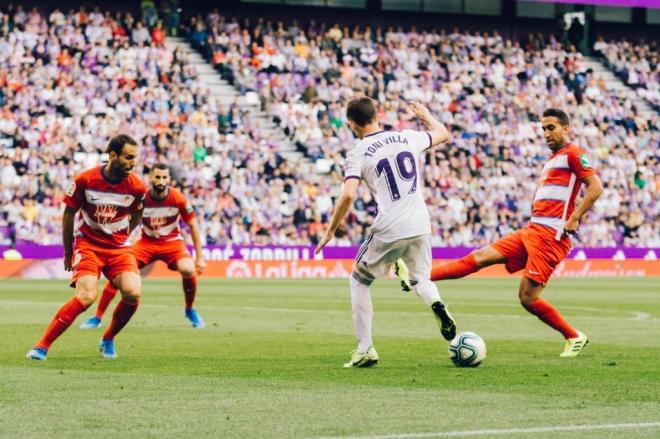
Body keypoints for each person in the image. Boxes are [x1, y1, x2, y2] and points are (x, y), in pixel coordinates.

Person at [399, 108, 603, 358]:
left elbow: (595, 188)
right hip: (533, 229)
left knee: (528, 298)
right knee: (480, 257)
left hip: (551, 236)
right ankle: (418, 278)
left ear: (565, 128)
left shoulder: (574, 154)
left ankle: (573, 336)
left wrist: (574, 218)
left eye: (551, 128)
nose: (546, 133)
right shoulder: (552, 159)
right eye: (543, 129)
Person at [315, 97, 456, 368]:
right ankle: (436, 302)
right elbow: (443, 134)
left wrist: (331, 230)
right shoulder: (406, 137)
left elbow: (348, 193)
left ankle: (366, 348)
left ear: (352, 124)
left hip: (391, 223)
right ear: (377, 115)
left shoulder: (358, 151)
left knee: (359, 281)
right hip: (421, 223)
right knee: (421, 280)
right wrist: (426, 115)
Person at [26, 135, 147, 360]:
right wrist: (68, 252)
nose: (133, 162)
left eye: (134, 158)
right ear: (113, 156)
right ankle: (42, 346)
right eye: (129, 157)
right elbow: (68, 215)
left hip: (119, 249)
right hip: (89, 245)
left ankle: (108, 338)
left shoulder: (137, 186)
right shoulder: (86, 179)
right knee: (86, 297)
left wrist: (125, 234)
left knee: (133, 292)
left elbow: (139, 212)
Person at [80, 164, 207, 330]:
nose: (161, 181)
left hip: (171, 243)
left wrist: (200, 257)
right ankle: (97, 316)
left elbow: (193, 225)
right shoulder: (142, 197)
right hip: (146, 243)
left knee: (188, 269)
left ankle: (190, 310)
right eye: (157, 177)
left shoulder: (179, 199)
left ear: (169, 179)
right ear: (150, 178)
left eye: (164, 177)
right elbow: (125, 218)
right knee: (120, 271)